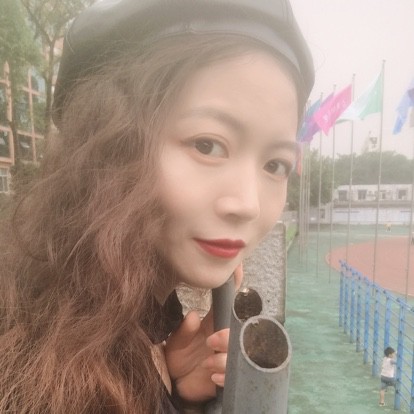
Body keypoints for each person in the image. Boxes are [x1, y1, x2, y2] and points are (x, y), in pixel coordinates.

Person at [0, 0, 314, 413]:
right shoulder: (42, 376)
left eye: (275, 165)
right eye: (207, 145)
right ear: (113, 149)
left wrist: (168, 390)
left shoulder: (110, 324)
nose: (248, 204)